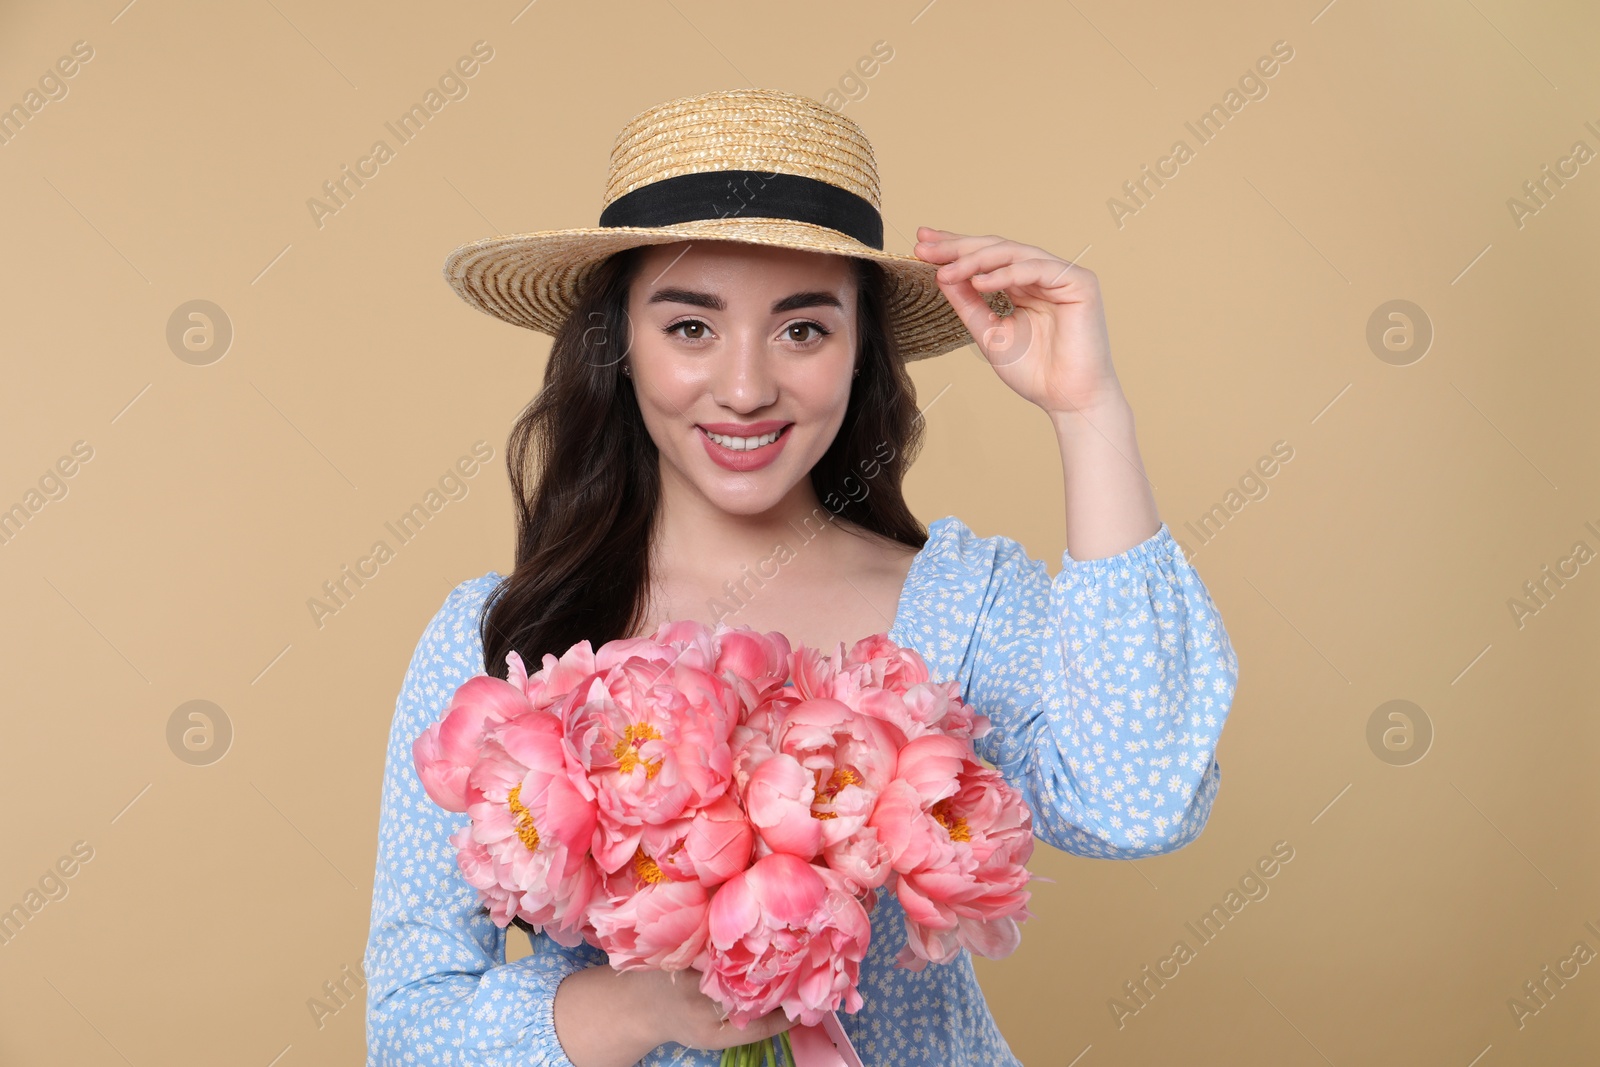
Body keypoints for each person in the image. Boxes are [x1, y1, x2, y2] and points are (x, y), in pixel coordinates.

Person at [364, 87, 1238, 1067]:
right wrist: (645, 1003)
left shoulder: (959, 606)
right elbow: (411, 1027)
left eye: (802, 329)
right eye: (690, 326)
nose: (745, 386)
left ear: (861, 349)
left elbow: (1140, 797)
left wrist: (1087, 411)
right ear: (617, 348)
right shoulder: (500, 646)